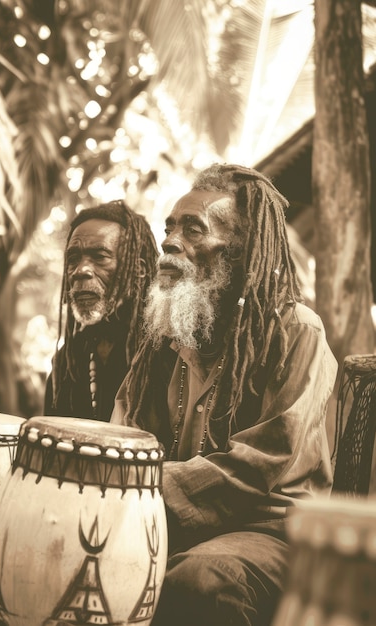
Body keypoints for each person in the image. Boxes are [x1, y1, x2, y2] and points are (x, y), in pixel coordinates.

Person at [111, 163, 338, 626]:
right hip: (160, 517)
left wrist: (137, 490)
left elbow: (257, 467)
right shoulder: (165, 336)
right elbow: (123, 437)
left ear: (240, 250)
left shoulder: (296, 332)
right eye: (169, 227)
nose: (170, 242)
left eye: (193, 229)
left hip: (273, 531)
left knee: (201, 579)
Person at [44, 199, 159, 420]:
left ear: (139, 270)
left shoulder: (164, 354)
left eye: (100, 257)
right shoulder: (68, 361)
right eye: (73, 258)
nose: (81, 270)